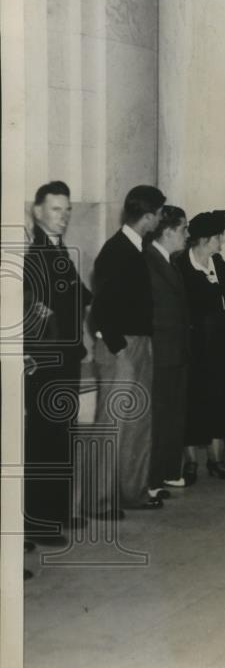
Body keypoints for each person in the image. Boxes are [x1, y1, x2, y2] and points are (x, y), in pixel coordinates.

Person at [88, 184, 166, 515]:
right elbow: (100, 312)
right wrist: (121, 353)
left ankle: (132, 492)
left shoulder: (135, 249)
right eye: (159, 213)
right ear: (148, 216)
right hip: (121, 347)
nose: (161, 218)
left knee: (138, 423)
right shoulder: (116, 251)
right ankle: (99, 500)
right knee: (114, 423)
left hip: (139, 344)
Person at [23, 181, 92, 545]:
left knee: (63, 435)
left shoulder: (59, 251)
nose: (63, 217)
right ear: (38, 212)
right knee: (44, 441)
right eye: (55, 210)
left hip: (67, 358)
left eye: (67, 210)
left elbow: (80, 296)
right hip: (47, 362)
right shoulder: (35, 255)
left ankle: (58, 511)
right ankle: (38, 521)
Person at [176, 211, 225, 481]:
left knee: (221, 401)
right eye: (218, 237)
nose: (221, 242)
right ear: (204, 239)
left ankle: (216, 459)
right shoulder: (181, 268)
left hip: (223, 347)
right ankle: (190, 463)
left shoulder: (219, 266)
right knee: (193, 404)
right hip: (195, 349)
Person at [145, 206, 191, 493]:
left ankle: (168, 471)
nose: (187, 235)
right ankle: (152, 479)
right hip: (161, 352)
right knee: (159, 417)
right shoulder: (149, 261)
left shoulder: (170, 262)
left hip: (175, 351)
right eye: (184, 229)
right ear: (169, 231)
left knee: (173, 415)